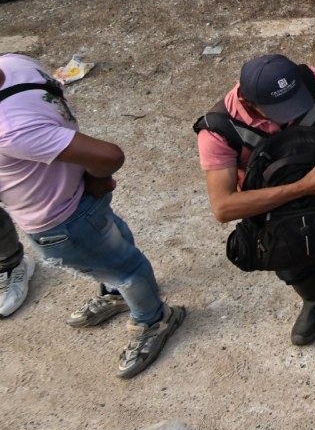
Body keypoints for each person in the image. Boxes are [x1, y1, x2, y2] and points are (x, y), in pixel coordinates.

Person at [1, 50, 185, 377]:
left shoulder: (10, 130)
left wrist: (99, 179)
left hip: (60, 219)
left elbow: (109, 155)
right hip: (77, 198)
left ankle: (154, 319)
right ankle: (117, 294)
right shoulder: (13, 63)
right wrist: (92, 182)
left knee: (123, 267)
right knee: (111, 243)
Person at [195, 55, 315, 345]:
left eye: (296, 101)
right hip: (277, 208)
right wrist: (303, 187)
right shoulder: (219, 130)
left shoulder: (310, 80)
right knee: (291, 259)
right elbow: (224, 207)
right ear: (247, 102)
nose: (292, 113)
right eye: (279, 109)